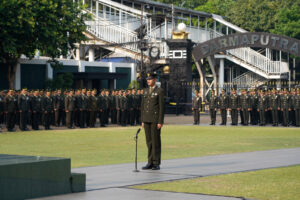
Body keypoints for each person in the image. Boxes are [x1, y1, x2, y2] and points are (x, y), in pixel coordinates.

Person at [141, 72, 165, 170]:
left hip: (155, 120)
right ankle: (150, 161)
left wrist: (160, 121)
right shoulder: (145, 91)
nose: (148, 81)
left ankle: (156, 162)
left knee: (155, 141)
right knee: (149, 141)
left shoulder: (159, 91)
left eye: (150, 79)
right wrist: (142, 120)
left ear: (155, 80)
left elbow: (161, 108)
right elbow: (142, 106)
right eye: (147, 79)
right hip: (146, 119)